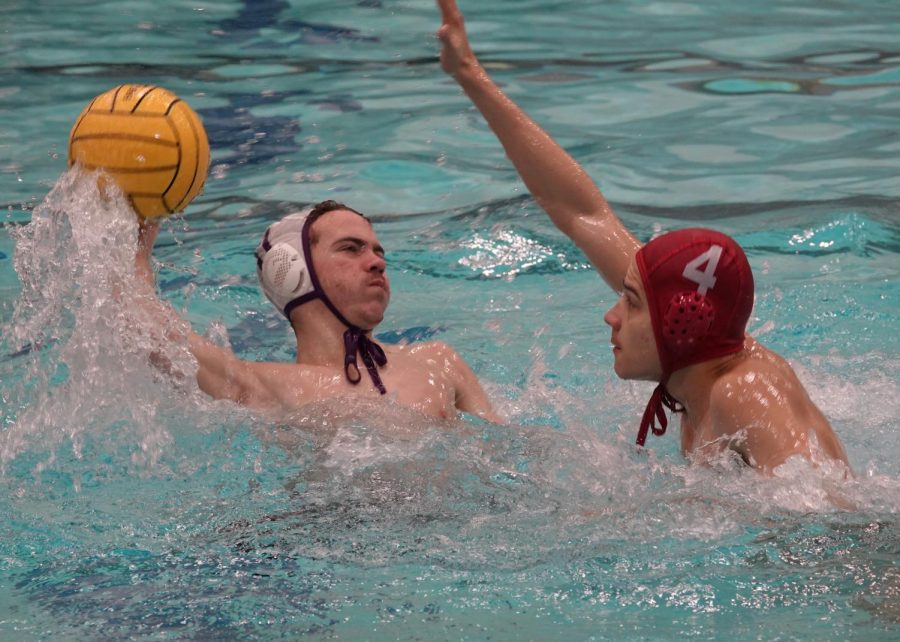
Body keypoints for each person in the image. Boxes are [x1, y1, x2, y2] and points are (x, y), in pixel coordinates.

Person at [435, 0, 849, 473]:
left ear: (683, 322)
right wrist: (470, 75)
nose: (611, 314)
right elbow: (580, 212)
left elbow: (831, 522)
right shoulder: (708, 353)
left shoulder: (745, 391)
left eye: (631, 301)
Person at [134, 199, 501, 423]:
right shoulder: (267, 387)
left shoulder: (439, 363)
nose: (376, 262)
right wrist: (141, 228)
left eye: (378, 251)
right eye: (351, 249)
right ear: (293, 270)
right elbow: (139, 322)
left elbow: (509, 457)